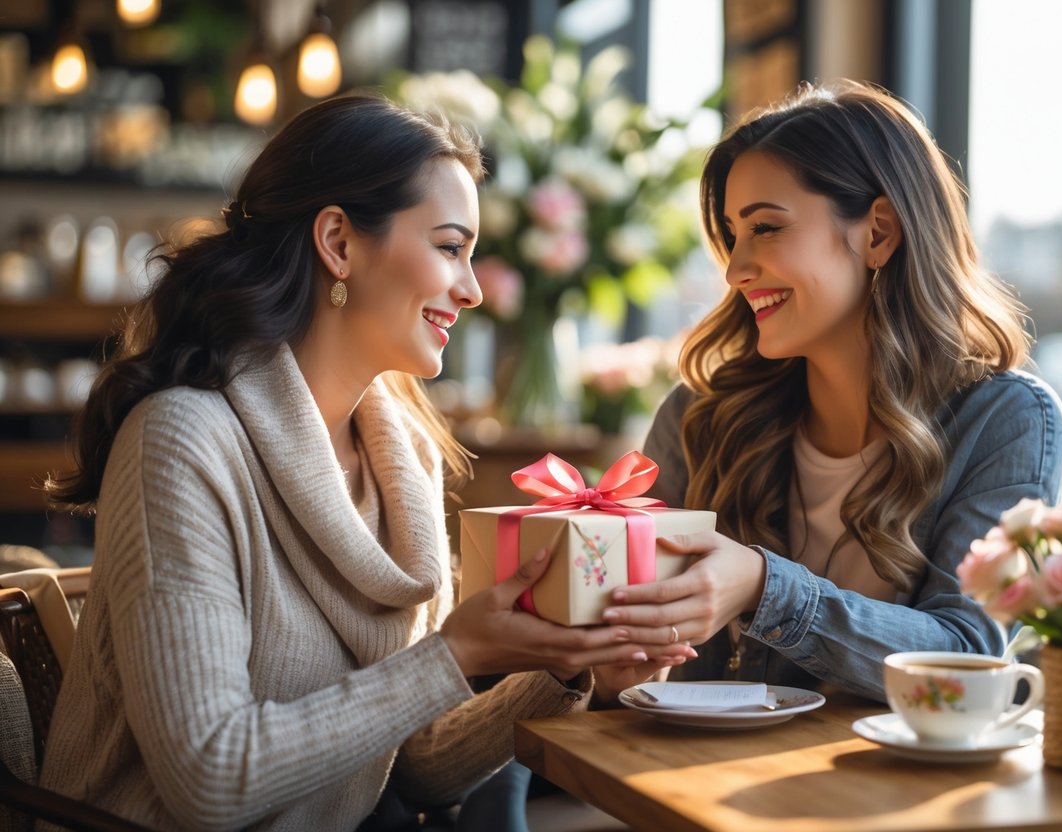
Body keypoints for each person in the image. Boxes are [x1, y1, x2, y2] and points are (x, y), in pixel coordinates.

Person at [39, 94, 693, 831]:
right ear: (339, 244)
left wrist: (563, 665)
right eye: (450, 248)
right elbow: (209, 780)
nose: (473, 289)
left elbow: (416, 765)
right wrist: (456, 653)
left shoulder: (400, 454)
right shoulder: (182, 442)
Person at [592, 80, 1062, 703]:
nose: (735, 269)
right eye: (733, 234)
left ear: (879, 233)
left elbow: (965, 659)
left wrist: (767, 589)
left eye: (765, 227)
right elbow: (624, 664)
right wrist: (610, 672)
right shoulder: (700, 414)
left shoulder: (1006, 420)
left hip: (886, 794)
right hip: (688, 787)